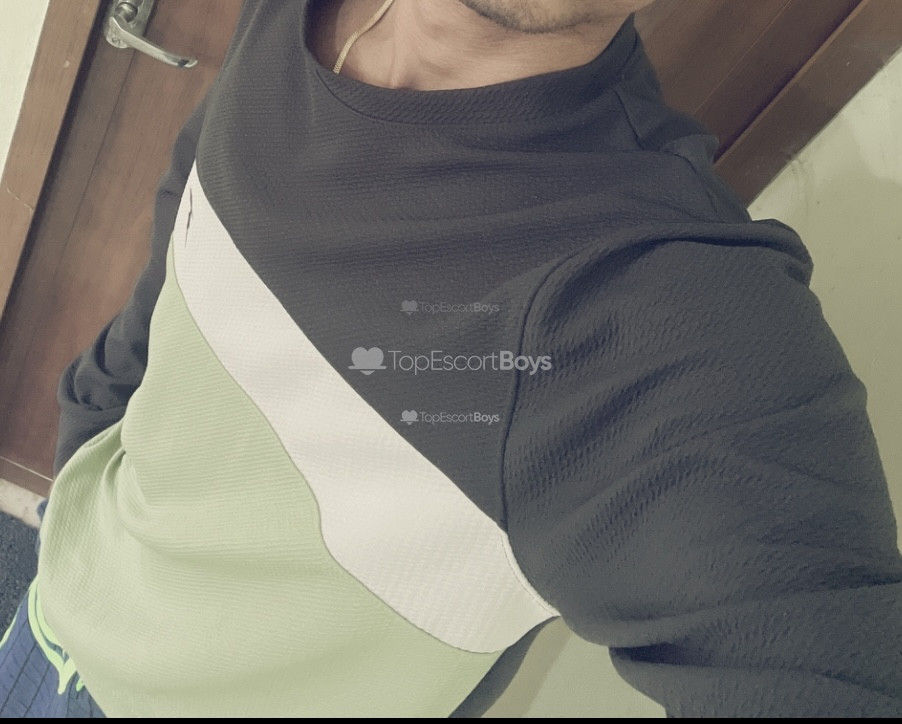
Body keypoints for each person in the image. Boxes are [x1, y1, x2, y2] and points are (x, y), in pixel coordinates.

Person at [1, 0, 900, 717]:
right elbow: (182, 242)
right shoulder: (293, 15)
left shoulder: (661, 312)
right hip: (55, 610)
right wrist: (89, 428)